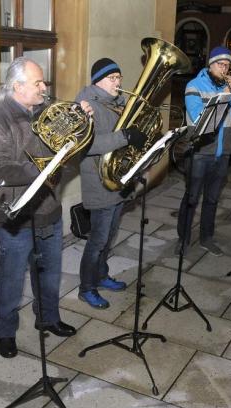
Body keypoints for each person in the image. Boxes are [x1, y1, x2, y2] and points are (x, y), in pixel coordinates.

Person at [0, 57, 90, 359]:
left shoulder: (46, 113)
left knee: (50, 273)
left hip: (49, 211)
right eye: (38, 83)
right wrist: (40, 172)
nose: (44, 87)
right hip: (16, 216)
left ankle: (48, 318)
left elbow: (68, 156)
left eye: (43, 82)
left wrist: (82, 125)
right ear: (17, 86)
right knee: (11, 280)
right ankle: (5, 331)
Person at [74, 58, 143, 309]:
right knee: (98, 240)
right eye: (112, 78)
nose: (118, 82)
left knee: (110, 236)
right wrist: (124, 137)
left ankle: (101, 276)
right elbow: (87, 145)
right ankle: (86, 288)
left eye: (119, 78)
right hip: (99, 182)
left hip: (118, 179)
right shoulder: (84, 105)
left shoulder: (118, 103)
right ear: (98, 81)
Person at [176, 46, 231, 257]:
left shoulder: (229, 87)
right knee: (191, 197)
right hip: (200, 150)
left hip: (222, 151)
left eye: (227, 66)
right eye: (220, 65)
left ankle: (207, 238)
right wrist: (223, 95)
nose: (224, 69)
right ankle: (183, 239)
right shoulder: (194, 85)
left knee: (213, 198)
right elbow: (197, 115)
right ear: (210, 65)